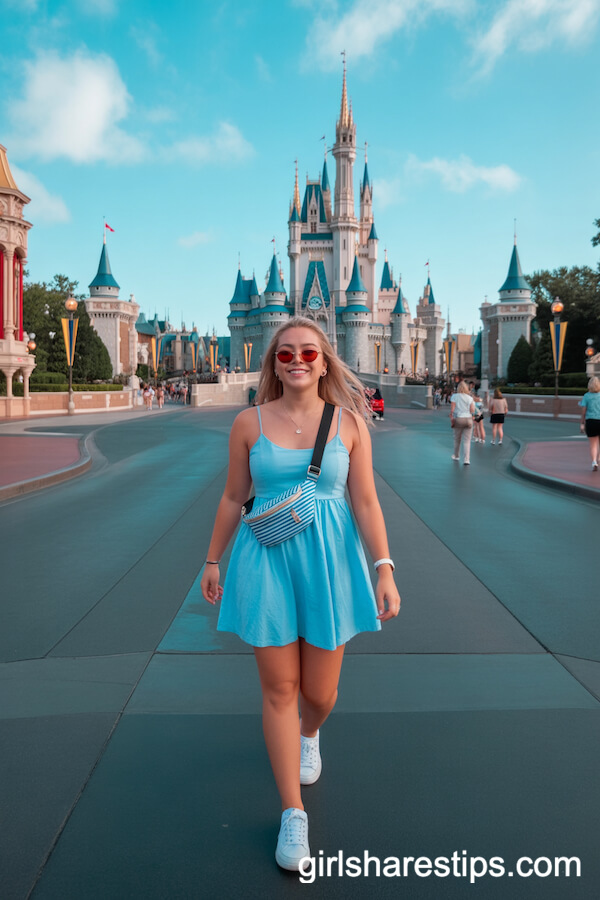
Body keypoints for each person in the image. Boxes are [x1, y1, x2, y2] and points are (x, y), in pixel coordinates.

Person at [200, 317, 401, 871]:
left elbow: (365, 503)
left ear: (325, 360)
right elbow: (232, 497)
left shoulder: (350, 424)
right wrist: (212, 560)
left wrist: (383, 567)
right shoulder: (248, 422)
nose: (297, 361)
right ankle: (293, 812)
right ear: (272, 362)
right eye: (285, 353)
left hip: (332, 564)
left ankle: (310, 733)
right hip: (265, 563)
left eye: (308, 353)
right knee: (279, 689)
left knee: (320, 693)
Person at [450, 381, 476, 465]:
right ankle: (466, 459)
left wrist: (452, 417)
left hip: (459, 418)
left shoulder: (454, 396)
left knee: (457, 439)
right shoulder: (469, 398)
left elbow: (452, 410)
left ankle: (456, 456)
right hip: (468, 419)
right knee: (467, 440)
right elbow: (472, 410)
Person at [579, 376, 600, 470]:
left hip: (591, 421)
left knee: (593, 444)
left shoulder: (586, 396)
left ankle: (594, 461)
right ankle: (599, 458)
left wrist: (582, 423)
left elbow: (583, 410)